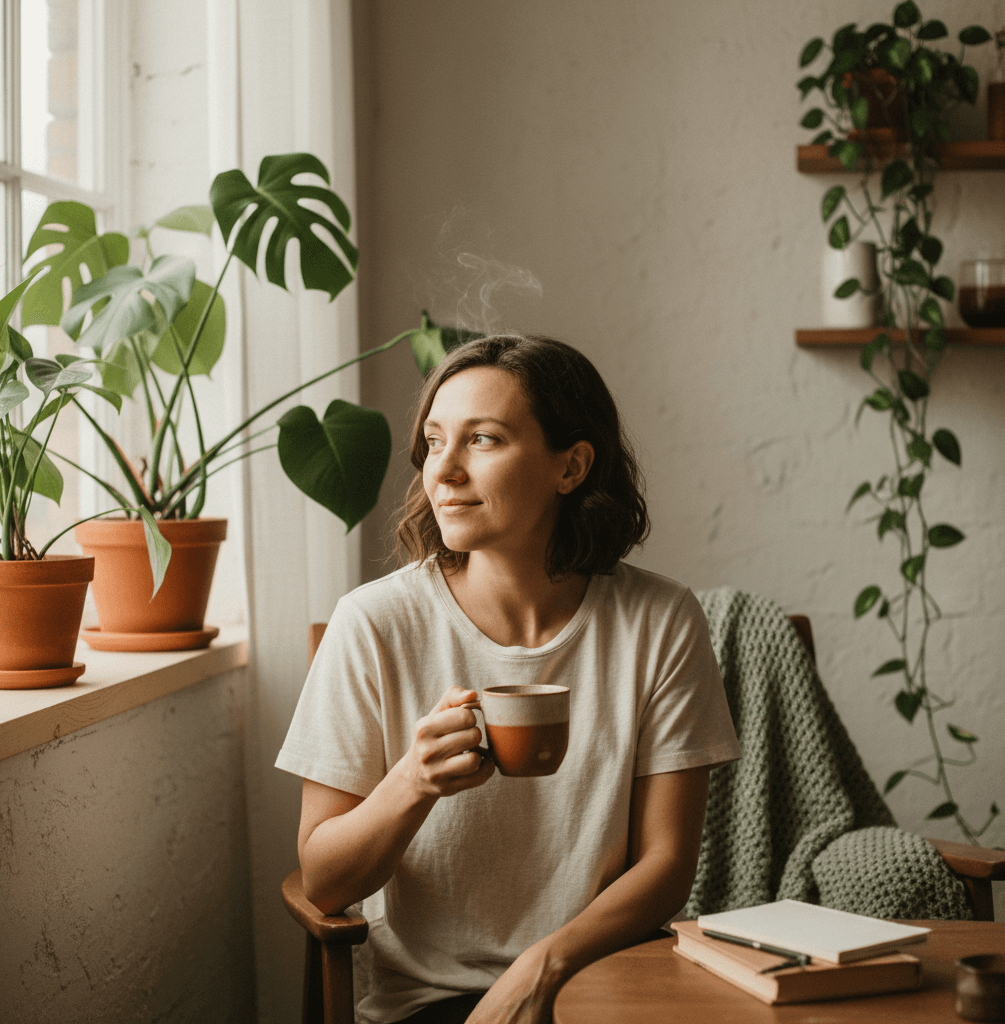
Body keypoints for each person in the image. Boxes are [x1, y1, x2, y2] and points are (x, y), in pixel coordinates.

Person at [276, 334, 741, 1024]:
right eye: (435, 442)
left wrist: (541, 968)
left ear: (572, 466)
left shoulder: (661, 620)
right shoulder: (373, 624)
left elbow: (667, 864)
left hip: (604, 982)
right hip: (431, 1005)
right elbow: (323, 879)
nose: (444, 472)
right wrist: (414, 781)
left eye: (483, 441)